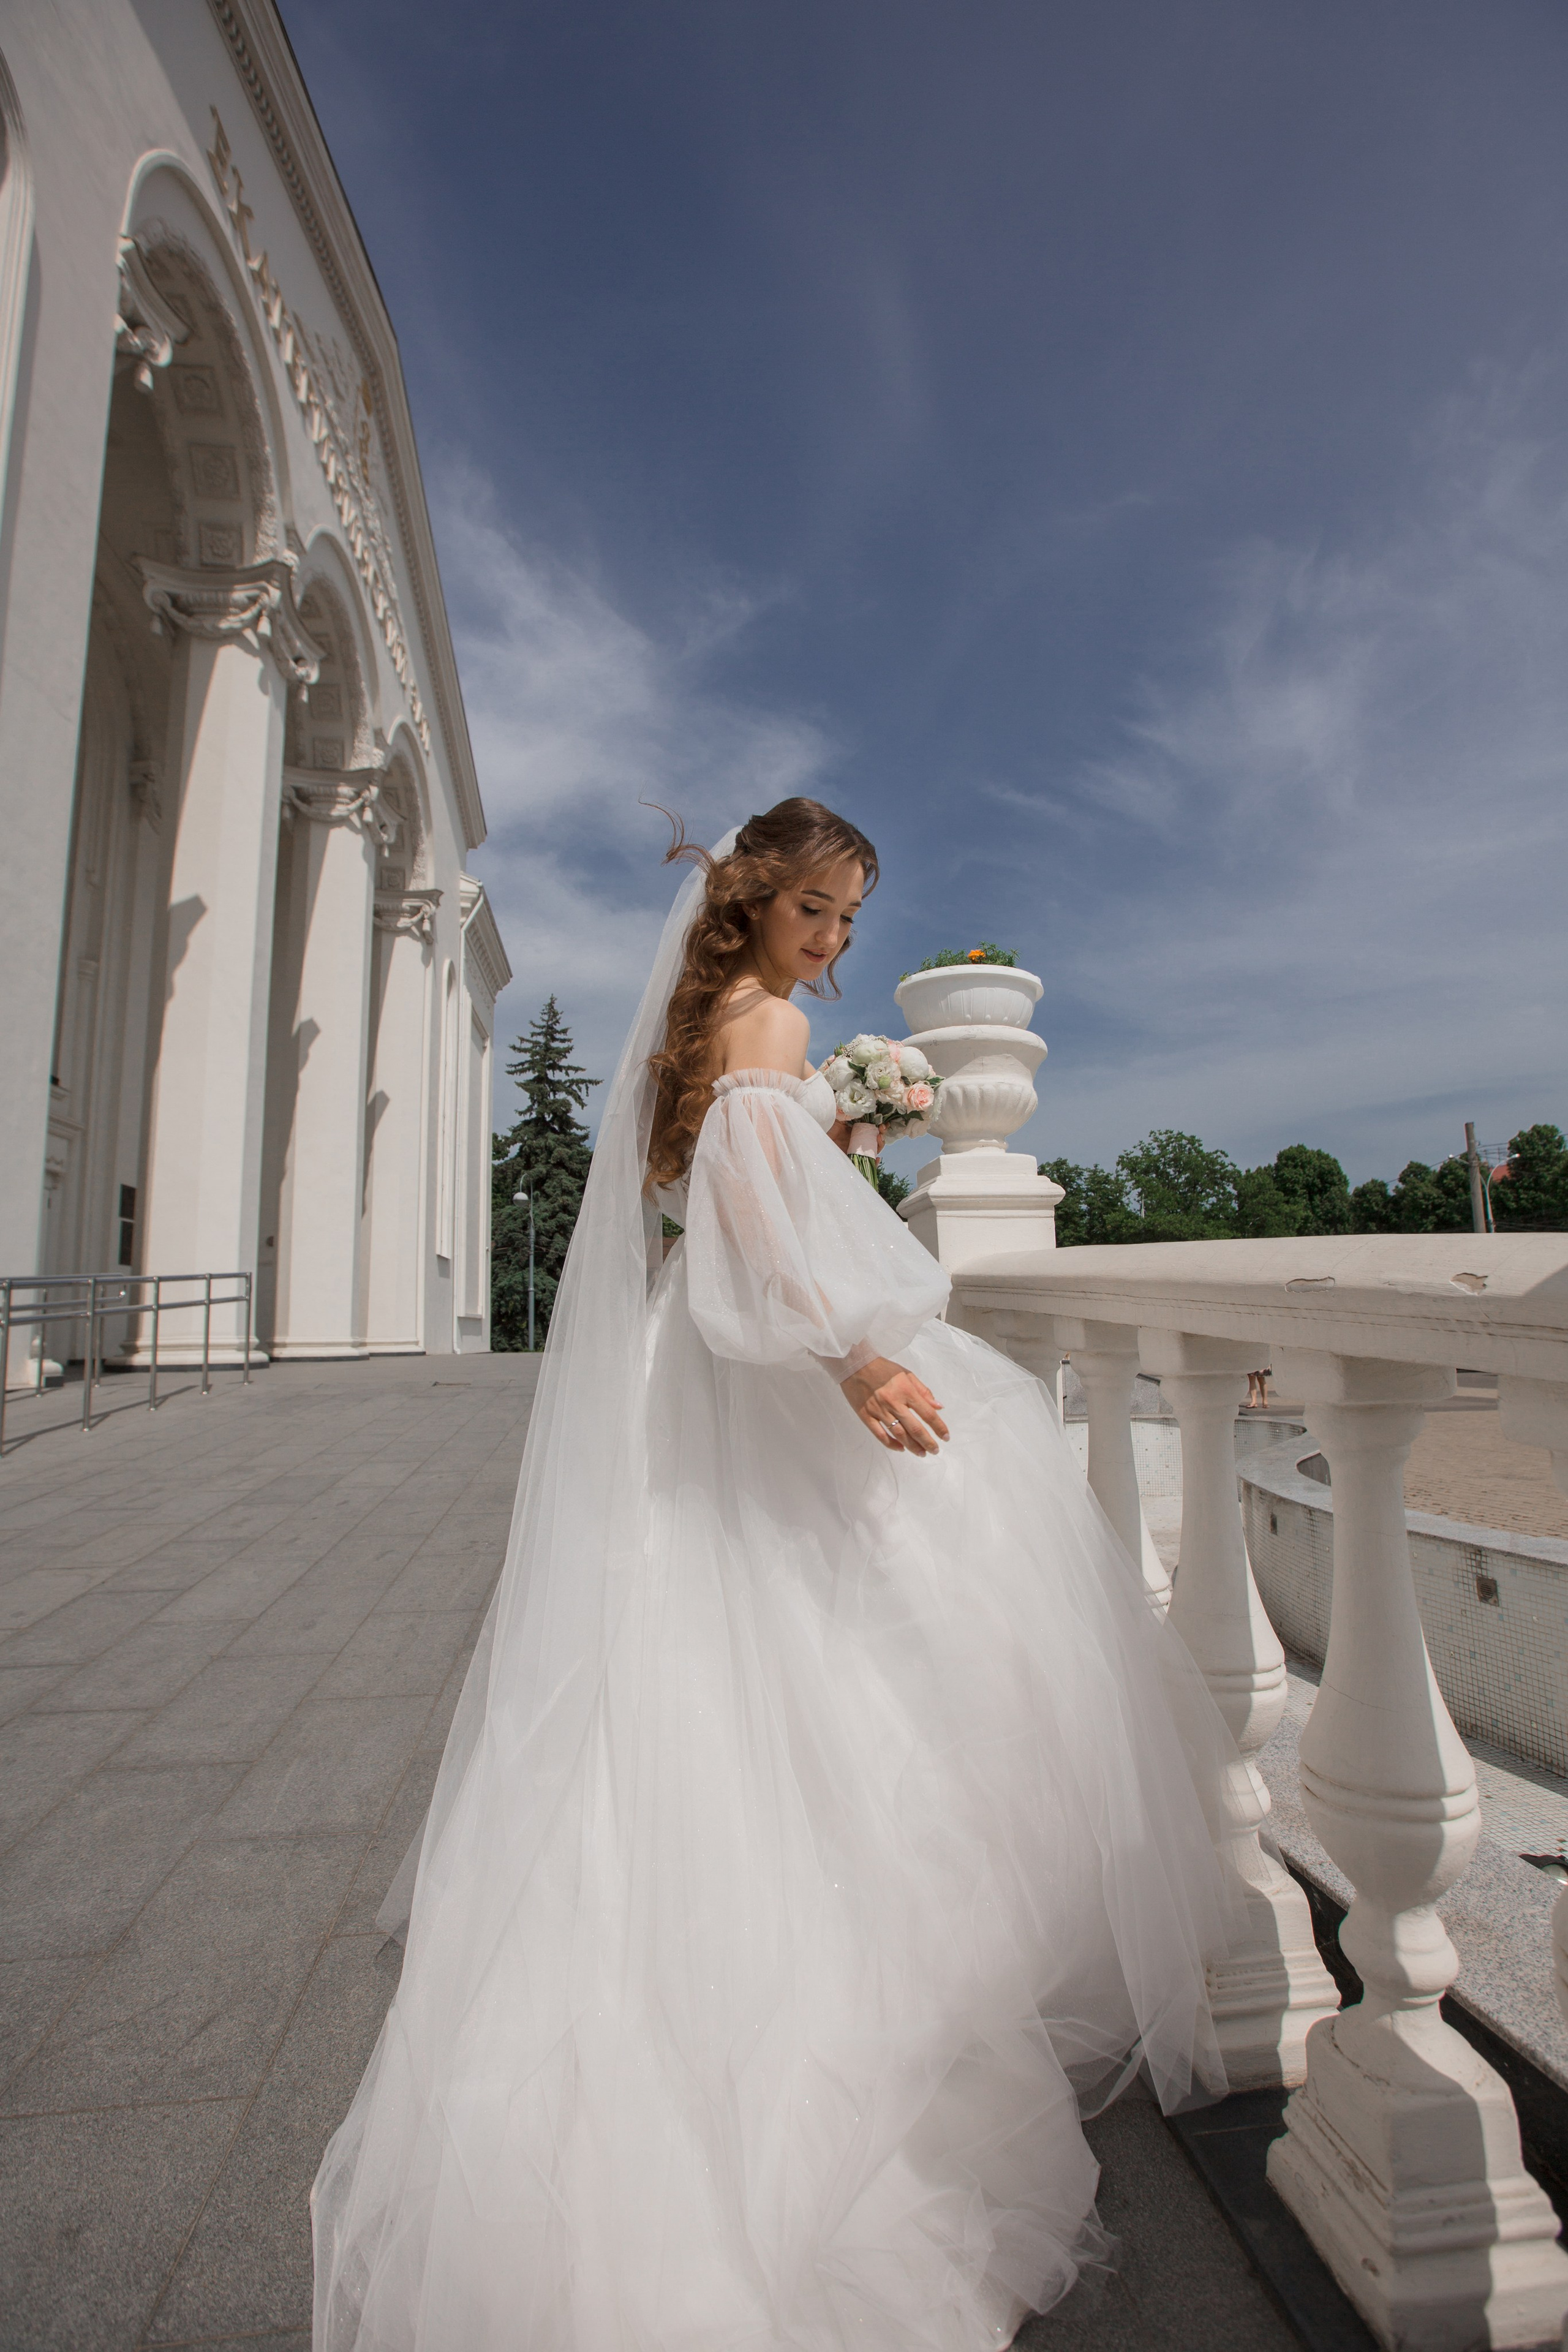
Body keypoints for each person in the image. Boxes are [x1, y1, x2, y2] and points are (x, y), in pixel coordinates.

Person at [312, 800, 1242, 2352]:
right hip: (774, 1371)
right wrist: (849, 1361)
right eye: (815, 908)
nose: (832, 940)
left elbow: (732, 1193)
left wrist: (843, 1139)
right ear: (750, 901)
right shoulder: (767, 1023)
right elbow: (752, 1224)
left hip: (697, 1373)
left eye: (848, 919)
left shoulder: (710, 1027)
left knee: (722, 1650)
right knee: (869, 1642)